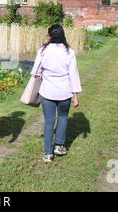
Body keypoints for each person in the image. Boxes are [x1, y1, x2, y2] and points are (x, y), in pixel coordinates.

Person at [31, 24, 82, 163]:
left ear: (50, 35)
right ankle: (59, 146)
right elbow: (74, 75)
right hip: (64, 91)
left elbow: (35, 71)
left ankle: (48, 153)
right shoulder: (69, 52)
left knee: (49, 121)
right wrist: (75, 96)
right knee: (63, 117)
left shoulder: (43, 50)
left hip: (47, 91)